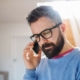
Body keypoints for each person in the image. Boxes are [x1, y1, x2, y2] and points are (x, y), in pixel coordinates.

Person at [23, 6, 80, 80]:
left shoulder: (78, 60)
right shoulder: (39, 63)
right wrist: (30, 69)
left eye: (46, 32)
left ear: (62, 29)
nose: (42, 41)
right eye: (37, 36)